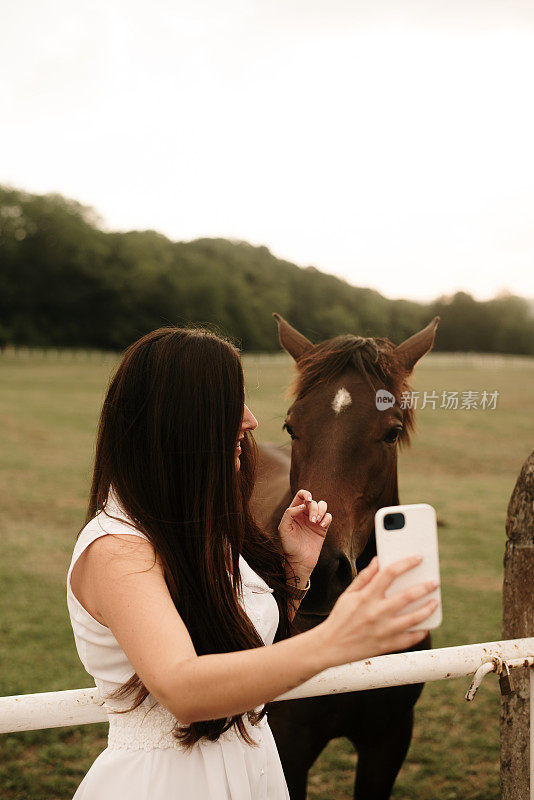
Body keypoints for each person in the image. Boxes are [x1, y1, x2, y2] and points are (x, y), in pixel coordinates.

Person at [66, 325, 438, 800]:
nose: (251, 420)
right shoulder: (118, 549)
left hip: (249, 769)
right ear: (177, 421)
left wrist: (295, 575)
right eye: (229, 404)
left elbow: (234, 644)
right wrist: (337, 639)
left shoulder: (204, 527)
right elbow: (183, 690)